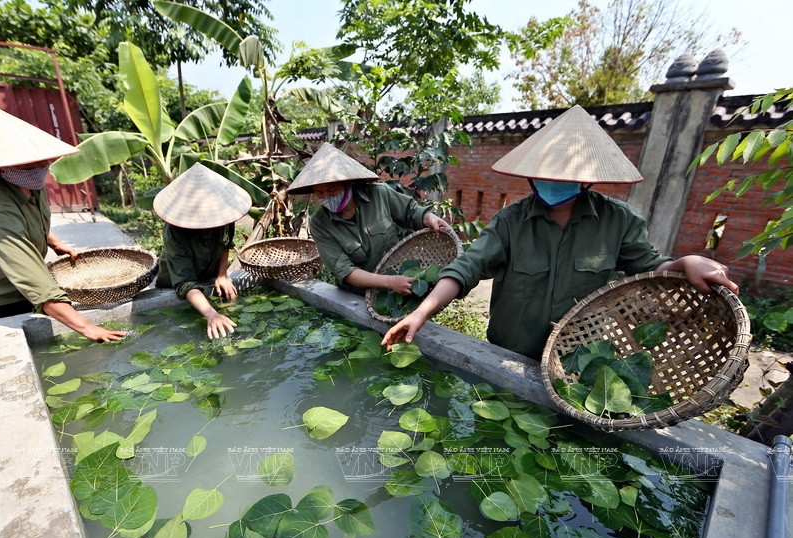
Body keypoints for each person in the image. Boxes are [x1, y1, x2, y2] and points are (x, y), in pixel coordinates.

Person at [382, 105, 738, 360]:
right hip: (508, 352)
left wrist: (686, 262)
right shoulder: (511, 221)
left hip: (576, 358)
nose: (553, 182)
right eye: (545, 172)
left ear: (589, 176)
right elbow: (466, 269)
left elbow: (648, 267)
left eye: (565, 174)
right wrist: (421, 312)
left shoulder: (618, 221)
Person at [0, 105, 126, 342]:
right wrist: (88, 328)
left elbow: (33, 217)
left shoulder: (29, 181)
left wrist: (54, 242)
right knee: (30, 341)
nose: (39, 168)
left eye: (41, 160)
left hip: (12, 273)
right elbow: (35, 282)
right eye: (27, 163)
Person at [286, 142, 451, 295]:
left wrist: (429, 217)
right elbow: (344, 270)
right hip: (355, 296)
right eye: (320, 192)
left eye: (332, 189)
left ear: (348, 183)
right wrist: (389, 282)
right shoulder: (319, 223)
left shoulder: (379, 194)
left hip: (399, 285)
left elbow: (411, 212)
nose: (326, 196)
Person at [153, 163, 251, 340]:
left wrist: (222, 275)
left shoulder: (225, 214)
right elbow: (185, 283)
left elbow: (225, 244)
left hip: (208, 274)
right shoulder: (175, 231)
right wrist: (211, 315)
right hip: (177, 280)